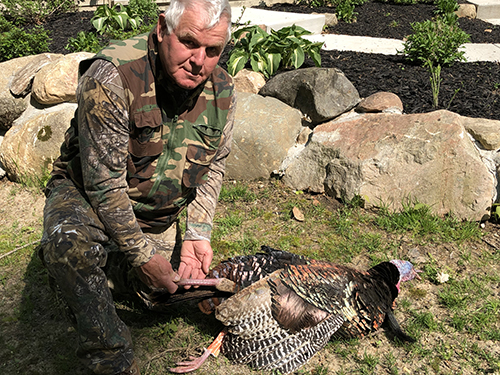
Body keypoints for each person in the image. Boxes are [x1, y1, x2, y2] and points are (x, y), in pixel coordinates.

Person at [38, 0, 235, 374]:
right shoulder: (112, 76)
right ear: (163, 29)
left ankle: (110, 271)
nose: (200, 61)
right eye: (189, 42)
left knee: (167, 294)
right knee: (70, 248)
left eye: (213, 50)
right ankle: (110, 353)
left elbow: (214, 164)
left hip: (153, 210)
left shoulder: (223, 89)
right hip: (88, 196)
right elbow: (103, 184)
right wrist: (143, 255)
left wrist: (197, 233)